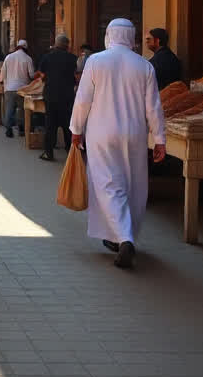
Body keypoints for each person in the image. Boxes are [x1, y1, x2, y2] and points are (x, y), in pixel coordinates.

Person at [69, 18, 166, 269]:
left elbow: (83, 101)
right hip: (135, 133)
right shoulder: (144, 66)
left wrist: (76, 130)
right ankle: (122, 235)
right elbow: (153, 107)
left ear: (110, 35)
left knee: (108, 185)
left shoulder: (96, 61)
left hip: (101, 133)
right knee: (133, 184)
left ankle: (123, 238)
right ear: (131, 37)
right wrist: (159, 139)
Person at [37, 34, 78, 161]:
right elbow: (75, 76)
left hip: (51, 95)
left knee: (50, 125)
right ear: (67, 45)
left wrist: (47, 78)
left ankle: (49, 152)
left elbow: (41, 74)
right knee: (68, 125)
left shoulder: (47, 57)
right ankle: (71, 153)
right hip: (67, 96)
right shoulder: (73, 58)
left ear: (55, 44)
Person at [0, 40, 36, 138]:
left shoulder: (8, 57)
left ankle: (8, 130)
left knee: (9, 109)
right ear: (25, 48)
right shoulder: (28, 58)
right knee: (22, 110)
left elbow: (3, 73)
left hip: (9, 88)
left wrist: (1, 82)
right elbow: (32, 75)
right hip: (23, 89)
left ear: (17, 47)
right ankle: (22, 129)